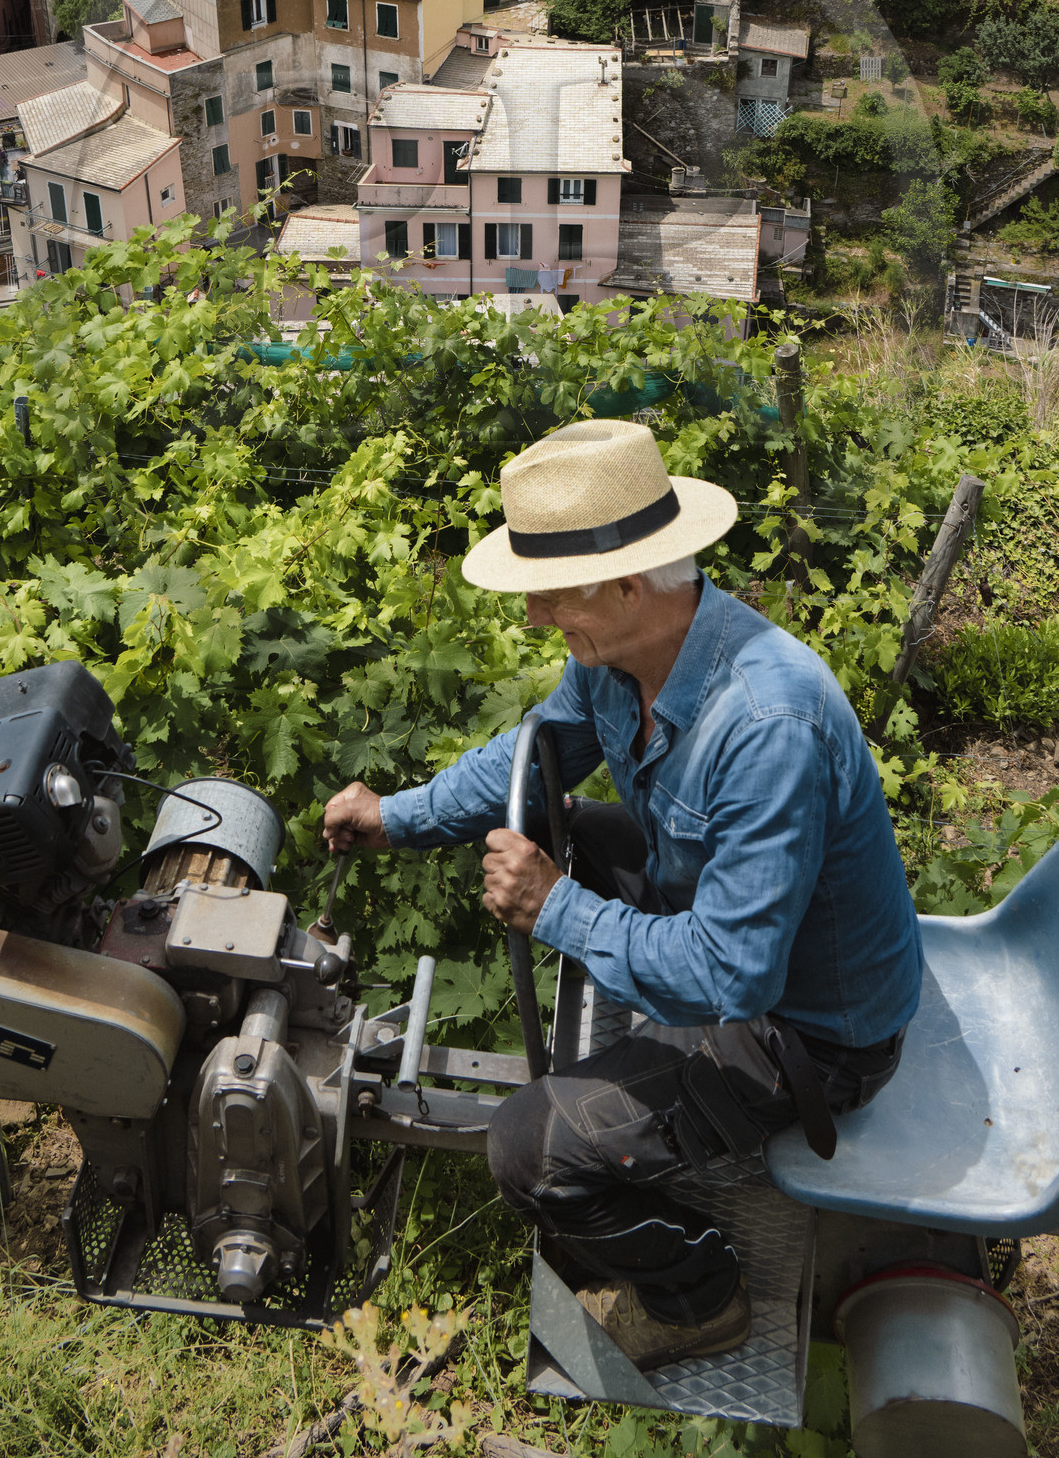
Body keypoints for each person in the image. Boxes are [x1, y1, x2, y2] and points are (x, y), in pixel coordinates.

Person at [322, 420, 922, 1375]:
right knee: (584, 825)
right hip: (747, 942)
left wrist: (557, 906)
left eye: (550, 595)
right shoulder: (625, 658)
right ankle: (648, 1074)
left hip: (810, 1029)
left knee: (529, 1148)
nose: (534, 619)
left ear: (629, 584)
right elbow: (534, 762)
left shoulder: (766, 722)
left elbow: (733, 974)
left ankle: (702, 1295)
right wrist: (395, 815)